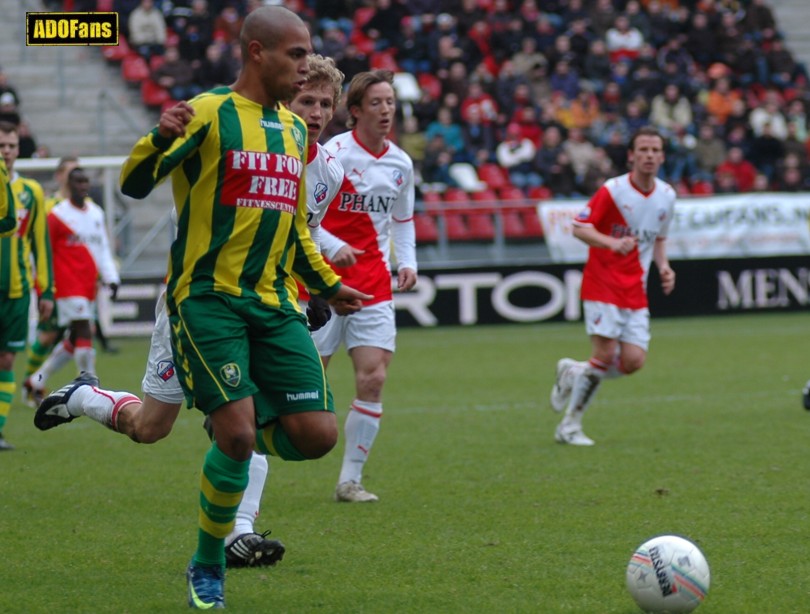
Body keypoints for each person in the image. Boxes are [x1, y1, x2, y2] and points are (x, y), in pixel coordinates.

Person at [71, 7, 365, 609]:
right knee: (230, 437)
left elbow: (292, 230)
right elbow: (133, 182)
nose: (304, 65)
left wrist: (328, 282)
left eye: (309, 53)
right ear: (256, 52)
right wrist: (159, 136)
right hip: (206, 301)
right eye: (295, 53)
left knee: (316, 436)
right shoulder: (208, 112)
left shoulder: (290, 131)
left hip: (274, 303)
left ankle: (228, 421)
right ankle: (209, 563)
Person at [314, 69, 418, 503]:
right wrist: (334, 245)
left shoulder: (401, 163)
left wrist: (407, 261)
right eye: (376, 102)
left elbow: (402, 219)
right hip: (322, 280)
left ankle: (349, 481)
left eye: (390, 102)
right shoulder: (333, 153)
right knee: (305, 380)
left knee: (373, 378)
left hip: (374, 281)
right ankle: (249, 452)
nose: (386, 110)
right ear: (354, 111)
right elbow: (306, 215)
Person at [549, 126, 676, 446]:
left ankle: (574, 372)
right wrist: (610, 243)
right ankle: (570, 426)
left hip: (635, 289)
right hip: (602, 283)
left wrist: (664, 266)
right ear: (631, 155)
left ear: (662, 156)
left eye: (654, 150)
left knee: (633, 361)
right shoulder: (614, 190)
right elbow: (580, 227)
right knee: (604, 355)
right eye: (643, 150)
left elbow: (659, 238)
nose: (649, 155)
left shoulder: (667, 196)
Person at [25, 167, 118, 400]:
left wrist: (111, 277)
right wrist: (42, 283)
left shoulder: (96, 213)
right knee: (85, 327)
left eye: (86, 181)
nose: (83, 186)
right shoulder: (57, 215)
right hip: (66, 283)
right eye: (78, 182)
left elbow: (102, 248)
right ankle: (89, 381)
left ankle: (37, 379)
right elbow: (41, 250)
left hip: (88, 284)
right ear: (68, 185)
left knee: (76, 337)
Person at [0, 122, 53, 450]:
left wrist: (46, 290)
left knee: (6, 361)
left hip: (16, 291)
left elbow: (39, 243)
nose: (6, 151)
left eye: (11, 145)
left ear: (19, 150)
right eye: (1, 145)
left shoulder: (31, 191)